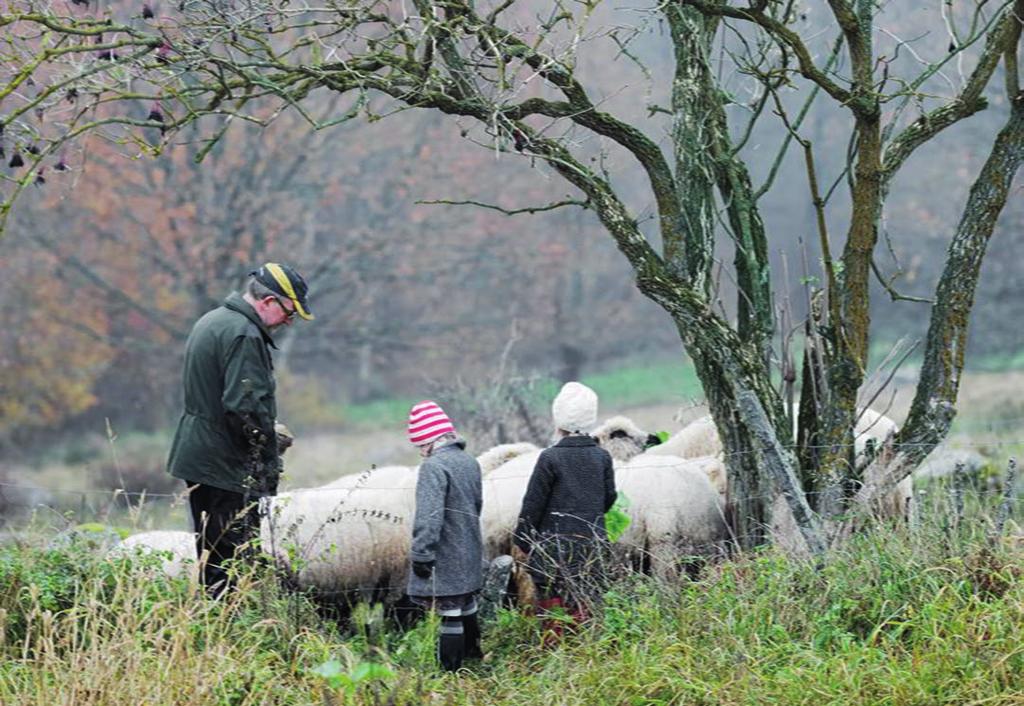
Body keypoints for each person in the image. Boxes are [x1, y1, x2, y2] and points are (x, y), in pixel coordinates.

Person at [167, 262, 313, 598]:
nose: (289, 322)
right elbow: (243, 407)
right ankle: (228, 632)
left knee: (212, 552)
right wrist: (268, 449)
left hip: (201, 454)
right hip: (224, 463)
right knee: (233, 560)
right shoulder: (245, 334)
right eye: (289, 312)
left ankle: (213, 631)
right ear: (269, 301)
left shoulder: (213, 320)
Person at [514, 381, 616, 639]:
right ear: (590, 420)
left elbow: (533, 503)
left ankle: (556, 646)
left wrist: (522, 541)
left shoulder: (550, 457)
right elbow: (609, 497)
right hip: (592, 543)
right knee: (587, 595)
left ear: (558, 421)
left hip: (553, 546)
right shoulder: (601, 457)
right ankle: (586, 648)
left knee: (552, 596)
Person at [406, 400, 484, 672]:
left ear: (430, 440)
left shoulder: (434, 467)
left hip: (446, 550)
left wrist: (421, 554)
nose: (420, 452)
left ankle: (450, 672)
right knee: (467, 602)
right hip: (470, 546)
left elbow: (429, 515)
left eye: (420, 445)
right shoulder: (469, 461)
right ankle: (474, 658)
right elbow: (477, 505)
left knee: (449, 608)